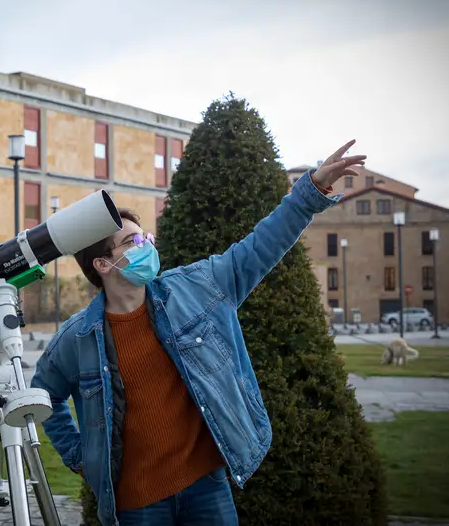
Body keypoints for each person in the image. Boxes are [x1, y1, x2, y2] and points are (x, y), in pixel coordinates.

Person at [31, 142, 366, 526]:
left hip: (205, 487)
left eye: (146, 238)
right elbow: (45, 396)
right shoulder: (78, 338)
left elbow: (260, 247)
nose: (147, 247)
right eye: (132, 242)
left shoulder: (196, 288)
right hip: (136, 503)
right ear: (103, 264)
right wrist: (81, 456)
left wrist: (310, 191)